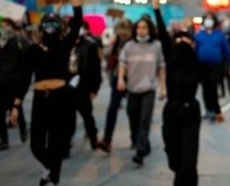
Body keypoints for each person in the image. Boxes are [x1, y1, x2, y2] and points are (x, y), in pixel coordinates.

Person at [10, 0, 84, 186]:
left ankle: (54, 182)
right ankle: (48, 166)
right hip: (40, 100)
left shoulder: (64, 47)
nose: (51, 27)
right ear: (41, 28)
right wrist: (16, 105)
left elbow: (77, 23)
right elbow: (24, 79)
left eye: (55, 24)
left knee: (57, 144)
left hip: (61, 100)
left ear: (60, 29)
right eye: (47, 24)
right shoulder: (33, 51)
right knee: (36, 144)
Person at [153, 0, 201, 186]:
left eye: (186, 41)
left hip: (191, 111)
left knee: (189, 156)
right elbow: (163, 35)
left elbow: (209, 85)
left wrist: (216, 109)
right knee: (173, 152)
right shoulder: (170, 57)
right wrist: (156, 9)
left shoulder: (198, 63)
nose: (182, 43)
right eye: (178, 40)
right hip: (171, 111)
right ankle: (177, 172)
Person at [117, 16, 166, 166]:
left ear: (149, 29)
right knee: (134, 118)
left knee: (145, 120)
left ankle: (140, 151)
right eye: (139, 27)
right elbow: (122, 64)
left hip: (149, 89)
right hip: (132, 89)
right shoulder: (129, 46)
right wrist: (120, 79)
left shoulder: (156, 46)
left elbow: (161, 67)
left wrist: (163, 86)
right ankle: (143, 143)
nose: (141, 30)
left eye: (144, 27)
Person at [0, 18, 30, 153]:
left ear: (12, 27)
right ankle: (3, 140)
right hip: (1, 82)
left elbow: (26, 60)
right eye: (1, 26)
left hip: (15, 81)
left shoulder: (19, 41)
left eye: (6, 26)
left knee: (16, 108)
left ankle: (23, 128)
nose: (3, 29)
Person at [97, 19, 133, 153]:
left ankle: (135, 139)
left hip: (132, 80)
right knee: (112, 108)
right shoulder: (115, 42)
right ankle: (107, 139)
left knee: (133, 110)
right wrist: (111, 44)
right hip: (117, 80)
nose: (123, 36)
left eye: (126, 33)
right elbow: (105, 55)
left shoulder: (134, 43)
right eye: (121, 33)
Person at [195, 13, 230, 122]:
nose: (209, 21)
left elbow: (226, 50)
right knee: (205, 88)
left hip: (216, 65)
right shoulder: (199, 35)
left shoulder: (219, 35)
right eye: (207, 19)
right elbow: (195, 51)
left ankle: (216, 110)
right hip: (202, 65)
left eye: (211, 19)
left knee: (213, 87)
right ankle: (209, 110)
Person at [68, 21, 102, 150]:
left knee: (87, 116)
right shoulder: (66, 45)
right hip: (68, 89)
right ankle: (67, 142)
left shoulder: (90, 46)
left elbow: (95, 69)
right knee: (68, 118)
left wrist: (94, 88)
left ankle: (93, 137)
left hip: (83, 87)